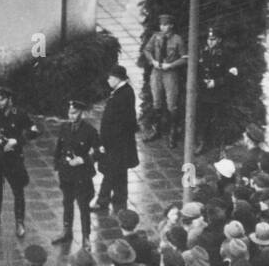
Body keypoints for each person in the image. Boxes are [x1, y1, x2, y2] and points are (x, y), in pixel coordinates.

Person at [0, 85, 38, 240]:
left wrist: (17, 141)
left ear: (9, 99)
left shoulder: (19, 114)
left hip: (13, 158)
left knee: (17, 190)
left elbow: (34, 131)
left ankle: (19, 222)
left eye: (1, 99)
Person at [51, 100, 101, 250]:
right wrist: (58, 164)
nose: (71, 116)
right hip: (66, 174)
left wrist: (83, 159)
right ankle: (67, 232)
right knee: (67, 203)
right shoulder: (64, 127)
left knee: (83, 206)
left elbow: (99, 151)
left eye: (74, 113)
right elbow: (59, 147)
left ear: (82, 113)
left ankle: (86, 237)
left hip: (81, 175)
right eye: (69, 113)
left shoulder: (90, 131)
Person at [93, 63, 138, 213]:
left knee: (111, 171)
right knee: (118, 171)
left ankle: (103, 201)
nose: (108, 80)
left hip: (116, 144)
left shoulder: (122, 95)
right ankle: (119, 200)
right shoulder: (123, 91)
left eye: (110, 78)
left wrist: (105, 142)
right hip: (120, 143)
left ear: (118, 78)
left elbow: (120, 123)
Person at [141, 14, 186, 146]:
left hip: (170, 73)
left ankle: (173, 133)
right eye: (161, 24)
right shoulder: (156, 37)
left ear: (171, 25)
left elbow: (185, 57)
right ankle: (157, 130)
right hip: (157, 71)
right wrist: (152, 61)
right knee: (156, 101)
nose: (163, 27)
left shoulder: (177, 39)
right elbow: (147, 50)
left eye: (165, 24)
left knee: (171, 103)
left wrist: (171, 65)